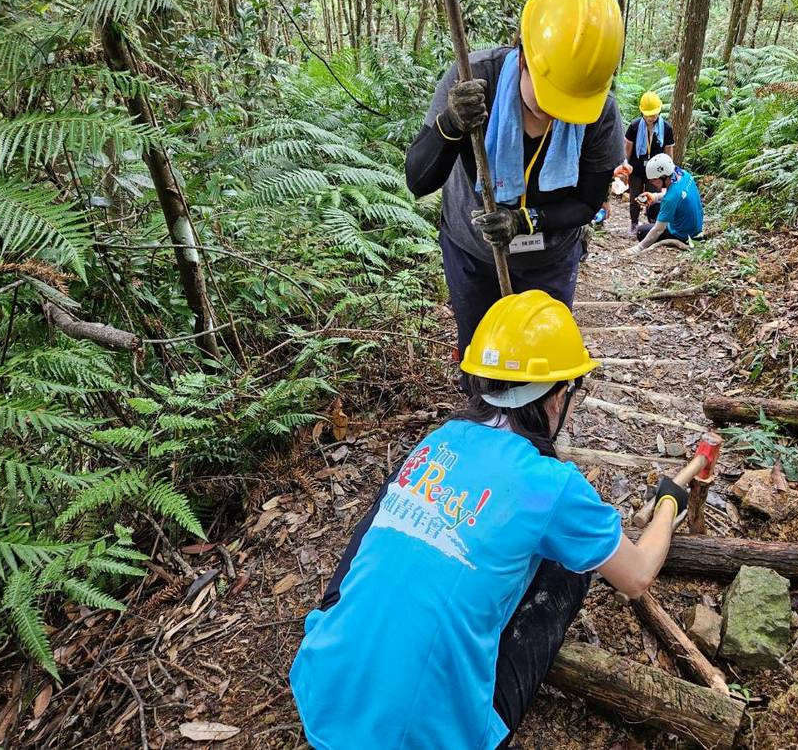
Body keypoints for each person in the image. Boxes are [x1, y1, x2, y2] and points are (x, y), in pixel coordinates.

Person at [289, 291, 689, 750]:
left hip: (320, 695)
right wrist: (667, 506)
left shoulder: (437, 441)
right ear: (559, 395)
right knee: (572, 565)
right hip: (426, 739)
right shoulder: (550, 484)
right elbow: (636, 577)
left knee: (394, 511)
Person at [406, 0, 625, 356]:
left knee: (541, 361)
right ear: (523, 59)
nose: (559, 115)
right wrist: (452, 125)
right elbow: (419, 180)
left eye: (573, 104)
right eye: (551, 98)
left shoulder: (600, 112)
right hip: (473, 254)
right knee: (482, 357)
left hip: (549, 260)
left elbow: (588, 203)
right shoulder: (473, 79)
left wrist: (524, 221)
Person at [625, 153, 703, 254]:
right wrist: (655, 196)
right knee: (652, 207)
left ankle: (661, 228)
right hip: (695, 227)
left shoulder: (670, 199)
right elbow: (675, 195)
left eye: (654, 180)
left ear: (663, 177)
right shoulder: (684, 174)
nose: (652, 183)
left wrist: (638, 248)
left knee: (641, 231)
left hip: (683, 235)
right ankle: (660, 221)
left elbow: (658, 230)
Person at [623, 91, 676, 237]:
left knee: (653, 198)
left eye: (654, 115)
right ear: (642, 112)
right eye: (648, 115)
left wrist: (670, 171)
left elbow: (668, 151)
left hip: (656, 172)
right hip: (637, 168)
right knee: (635, 197)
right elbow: (627, 149)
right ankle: (634, 224)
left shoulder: (666, 128)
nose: (651, 118)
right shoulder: (634, 126)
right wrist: (624, 167)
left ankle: (651, 225)